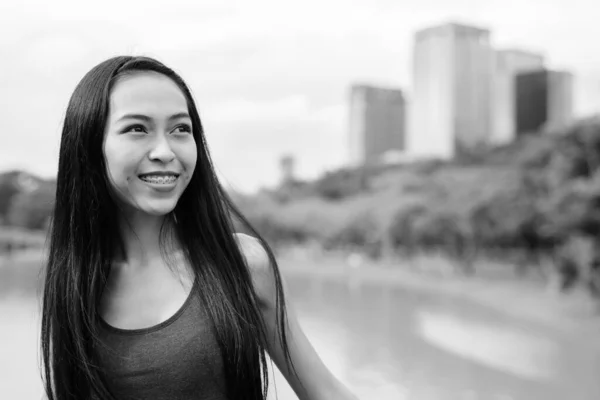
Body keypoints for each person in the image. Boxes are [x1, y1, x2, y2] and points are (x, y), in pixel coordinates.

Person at [40, 56, 358, 400]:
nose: (165, 151)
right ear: (90, 146)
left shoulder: (241, 264)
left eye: (180, 129)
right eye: (137, 128)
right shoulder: (74, 283)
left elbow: (325, 392)